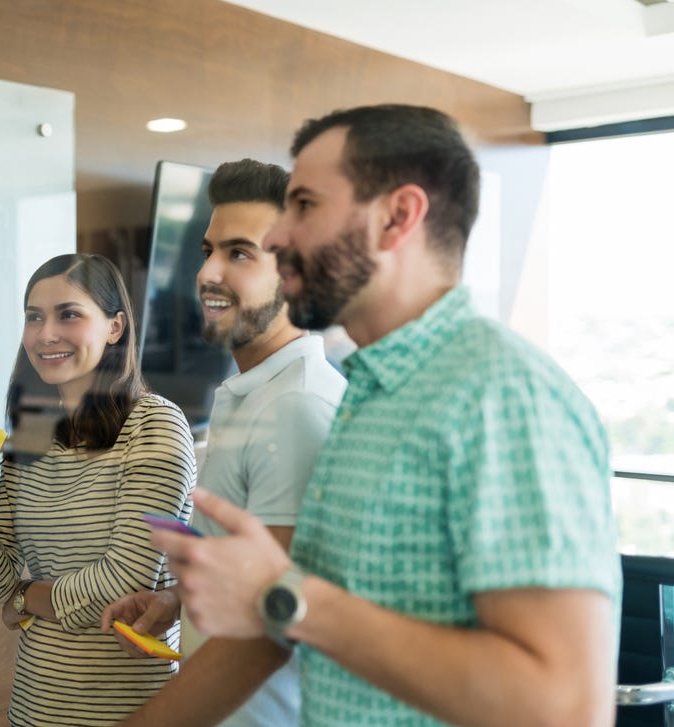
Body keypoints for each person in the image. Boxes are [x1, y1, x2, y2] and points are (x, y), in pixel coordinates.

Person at [154, 104, 622, 727]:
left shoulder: (501, 394)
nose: (278, 237)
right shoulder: (372, 393)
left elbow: (565, 707)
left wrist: (283, 595)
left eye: (305, 206)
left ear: (398, 217)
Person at [101, 159, 345, 727]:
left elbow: (271, 632)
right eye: (208, 250)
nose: (208, 272)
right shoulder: (256, 393)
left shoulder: (295, 408)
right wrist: (174, 602)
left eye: (239, 253)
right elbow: (258, 579)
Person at [0, 253, 197, 727]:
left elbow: (122, 584)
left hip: (131, 711)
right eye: (34, 317)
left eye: (68, 314)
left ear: (115, 327)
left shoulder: (155, 425)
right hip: (35, 708)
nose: (45, 334)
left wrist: (24, 597)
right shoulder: (33, 431)